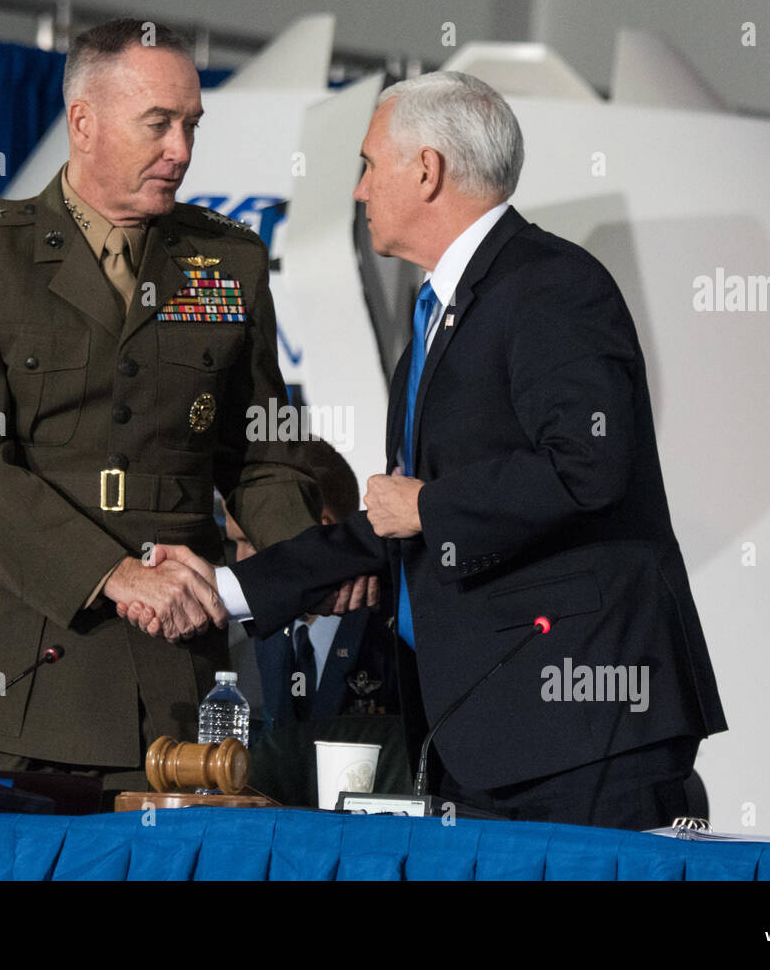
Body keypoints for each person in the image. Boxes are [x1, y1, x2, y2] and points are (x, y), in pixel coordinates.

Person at [129, 72, 727, 828]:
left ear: (427, 169)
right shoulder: (442, 315)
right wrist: (230, 588)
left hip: (581, 721)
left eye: (369, 164)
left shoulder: (551, 286)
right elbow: (395, 522)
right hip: (492, 728)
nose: (358, 189)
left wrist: (430, 505)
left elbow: (590, 466)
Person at [0, 19, 338, 782]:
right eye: (158, 124)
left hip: (172, 682)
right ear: (83, 122)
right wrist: (115, 575)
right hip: (17, 673)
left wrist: (306, 565)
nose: (182, 151)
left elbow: (262, 450)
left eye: (191, 126)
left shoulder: (226, 261)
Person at [224, 438, 398, 733]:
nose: (241, 563)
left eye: (252, 542)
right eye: (235, 543)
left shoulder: (398, 634)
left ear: (321, 532)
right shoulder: (262, 639)